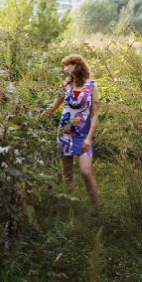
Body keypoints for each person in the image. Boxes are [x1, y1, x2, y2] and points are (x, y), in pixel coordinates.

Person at [40, 54, 100, 211]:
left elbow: (95, 115)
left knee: (86, 172)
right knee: (67, 174)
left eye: (67, 65)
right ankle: (70, 210)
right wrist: (35, 118)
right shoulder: (66, 86)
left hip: (83, 136)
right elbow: (53, 107)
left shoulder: (92, 85)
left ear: (76, 66)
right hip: (65, 134)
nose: (64, 68)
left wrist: (89, 138)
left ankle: (98, 210)